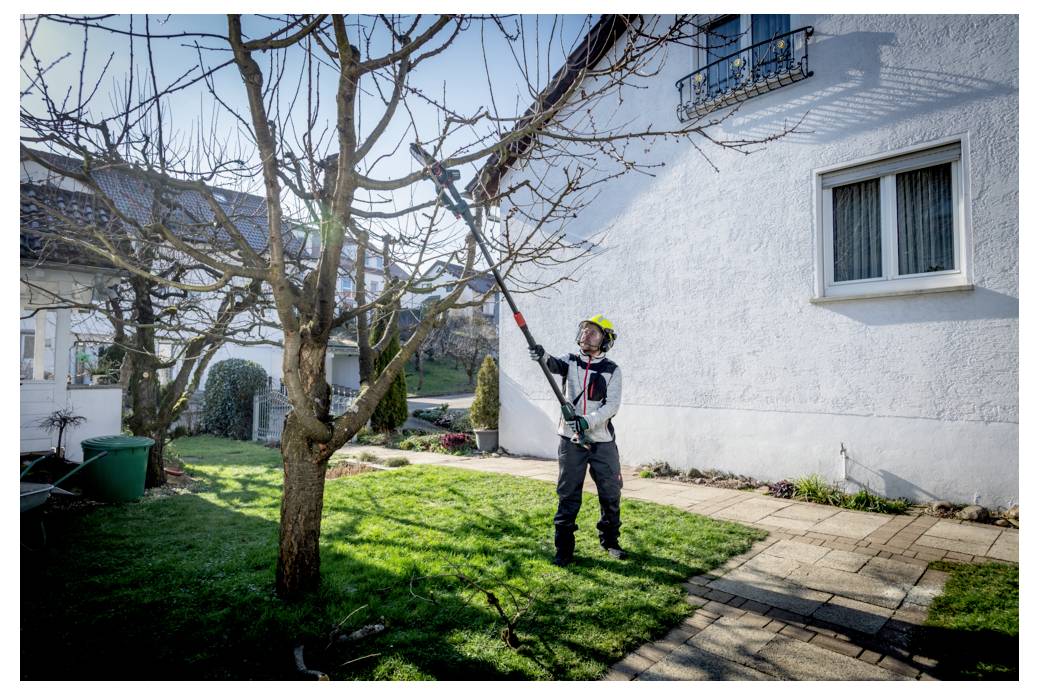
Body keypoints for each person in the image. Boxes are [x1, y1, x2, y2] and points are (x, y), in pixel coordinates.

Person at [529, 314, 624, 567]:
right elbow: (552, 364)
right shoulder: (570, 361)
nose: (586, 334)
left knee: (611, 493)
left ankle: (611, 541)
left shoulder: (612, 371)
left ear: (606, 340)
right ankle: (564, 550)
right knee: (568, 493)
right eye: (584, 330)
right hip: (570, 441)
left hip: (601, 440)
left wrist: (586, 421)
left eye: (593, 332)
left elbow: (611, 406)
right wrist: (541, 354)